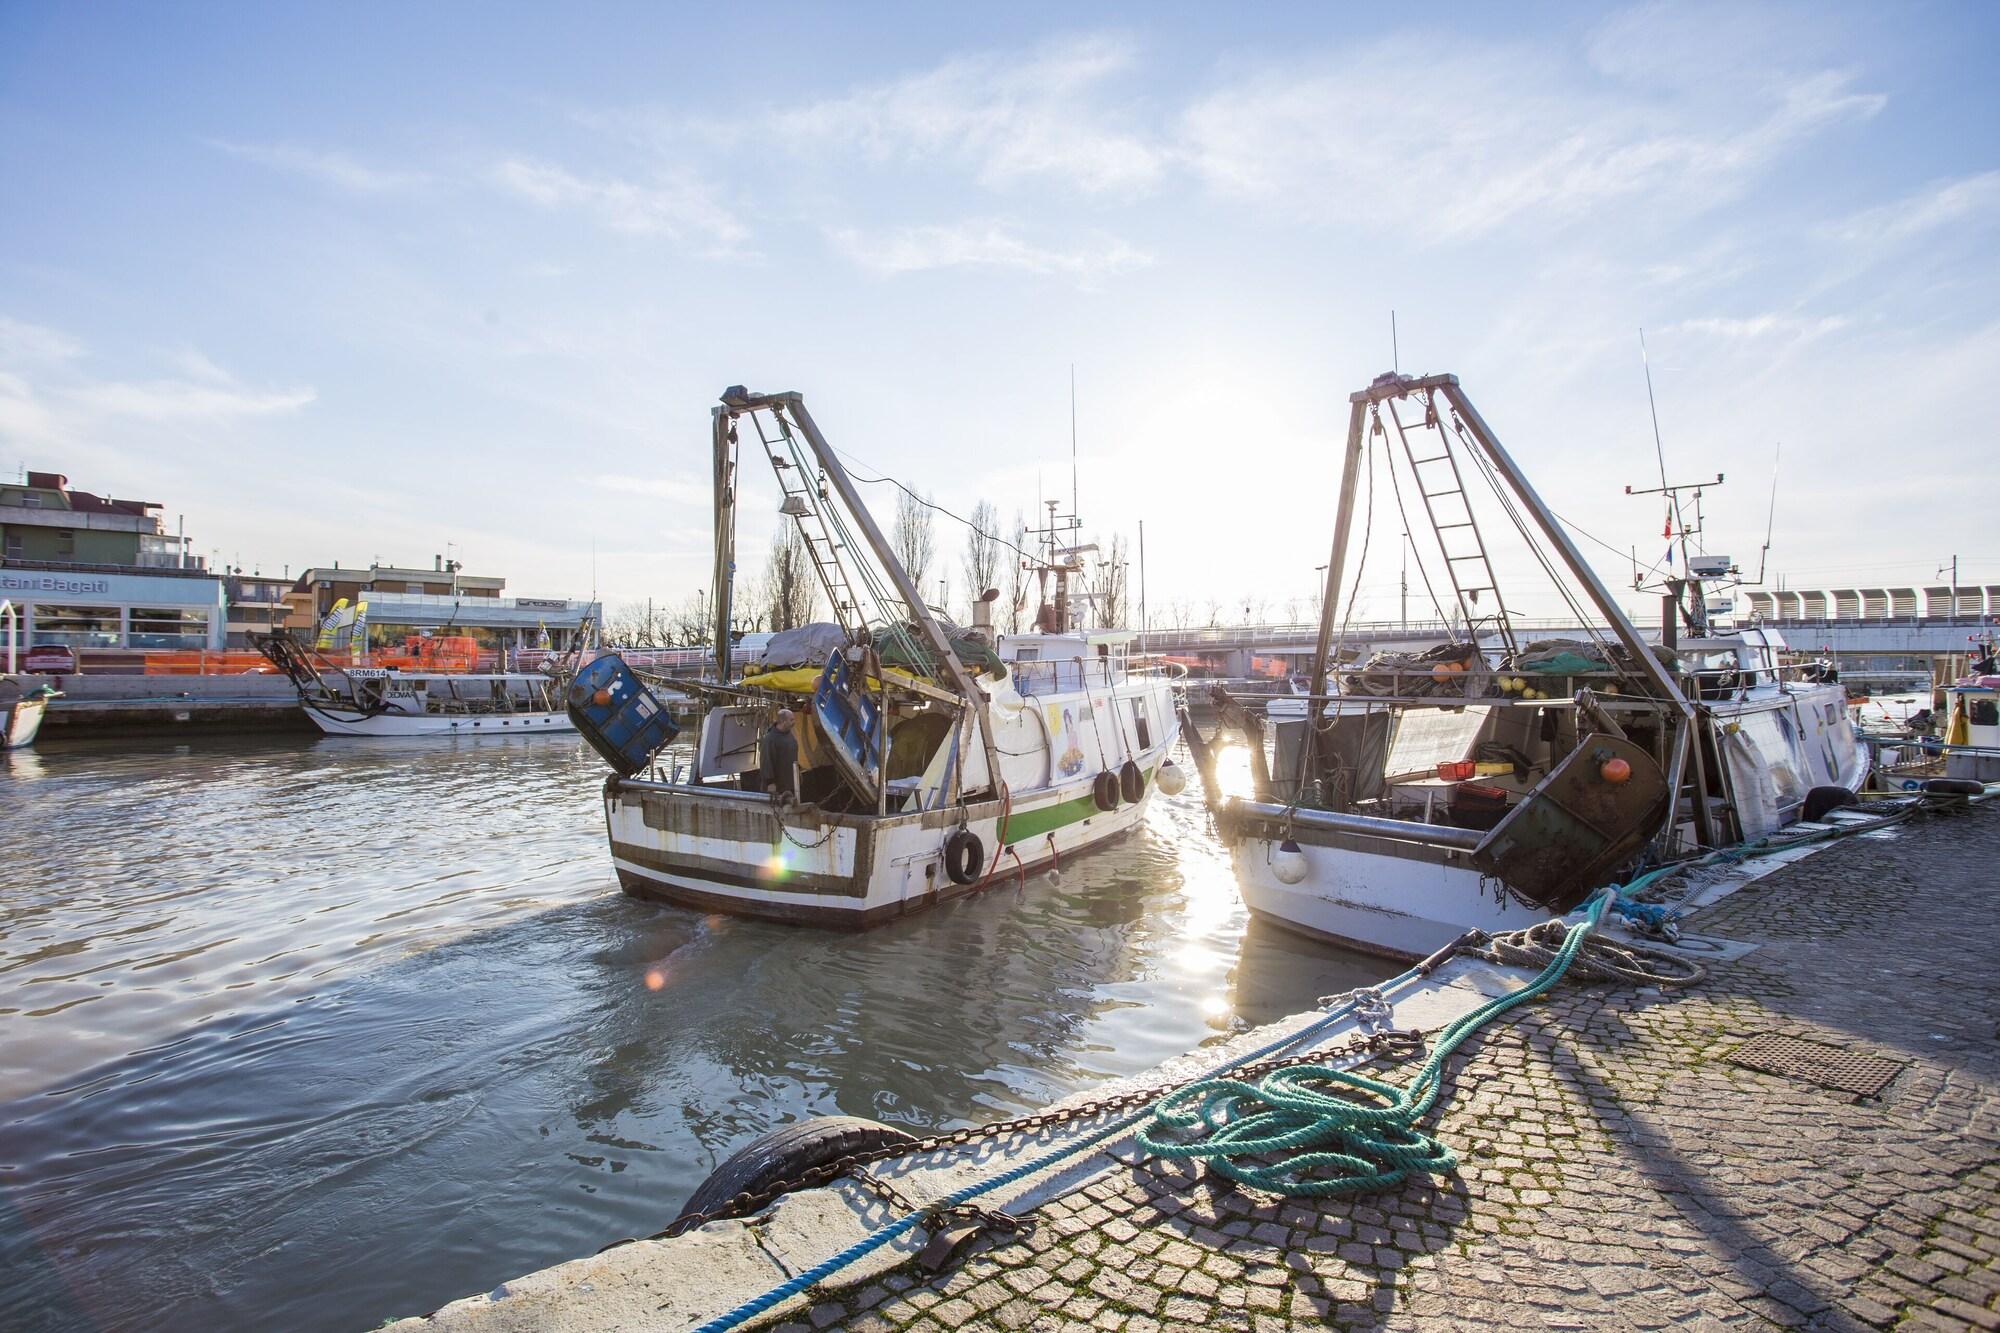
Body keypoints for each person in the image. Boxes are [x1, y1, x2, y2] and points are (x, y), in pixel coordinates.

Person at [761, 708, 798, 802]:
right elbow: (766, 761)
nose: (794, 722)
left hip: (789, 784)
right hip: (777, 787)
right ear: (783, 721)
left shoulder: (790, 735)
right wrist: (770, 782)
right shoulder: (770, 739)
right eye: (791, 720)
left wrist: (798, 771)